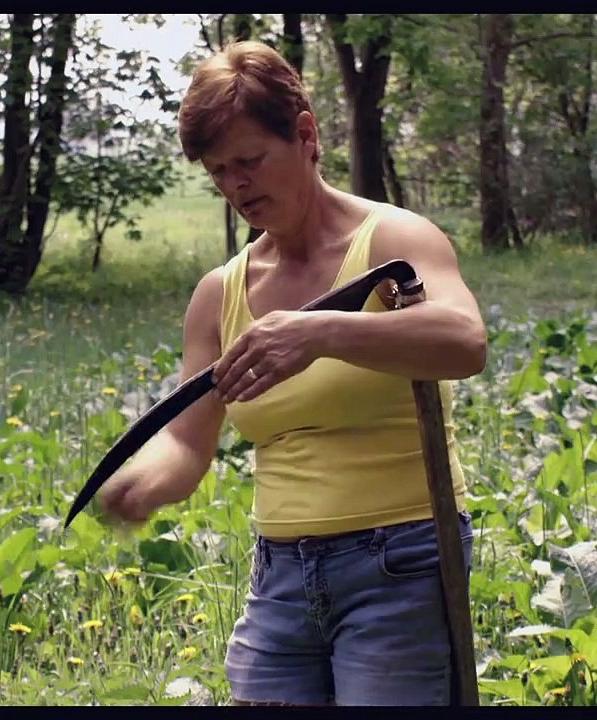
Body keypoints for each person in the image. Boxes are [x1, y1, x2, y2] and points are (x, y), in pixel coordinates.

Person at [96, 40, 488, 706]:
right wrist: (144, 485)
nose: (237, 186)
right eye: (219, 171)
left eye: (250, 160)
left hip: (400, 562)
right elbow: (189, 443)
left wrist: (322, 331)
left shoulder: (393, 242)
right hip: (281, 575)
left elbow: (464, 341)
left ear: (305, 134)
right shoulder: (219, 294)